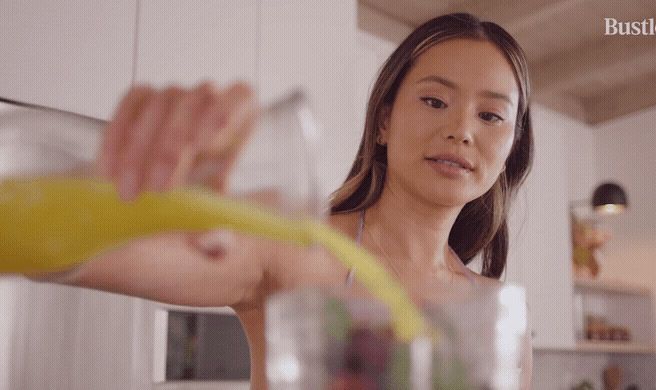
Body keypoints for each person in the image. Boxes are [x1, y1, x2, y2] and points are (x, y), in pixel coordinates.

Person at [36, 13, 534, 389]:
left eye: (491, 116)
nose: (461, 130)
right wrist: (132, 174)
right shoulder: (291, 249)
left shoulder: (499, 315)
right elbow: (51, 245)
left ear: (511, 147)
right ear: (383, 121)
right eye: (434, 101)